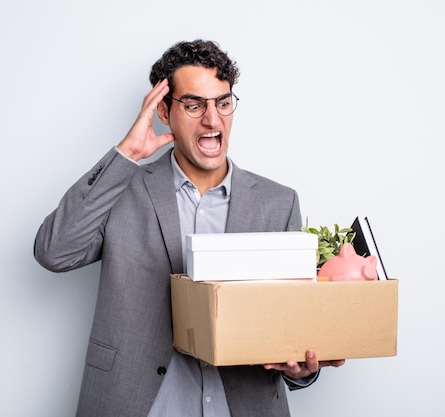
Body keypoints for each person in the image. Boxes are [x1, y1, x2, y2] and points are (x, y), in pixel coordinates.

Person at [34, 39, 344, 417]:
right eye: (194, 105)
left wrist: (301, 369)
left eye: (223, 103)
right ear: (164, 111)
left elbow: (293, 323)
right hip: (138, 403)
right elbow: (55, 251)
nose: (212, 120)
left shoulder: (279, 203)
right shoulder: (122, 190)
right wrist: (126, 155)